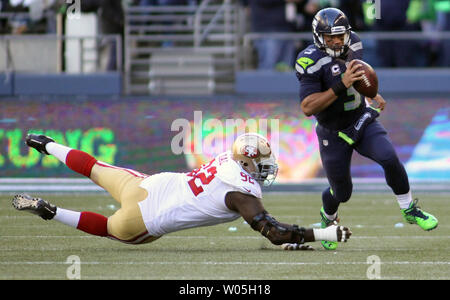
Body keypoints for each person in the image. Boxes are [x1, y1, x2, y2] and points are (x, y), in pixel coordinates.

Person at [12, 132, 351, 250]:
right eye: (262, 162)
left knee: (94, 167)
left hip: (147, 184)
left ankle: (47, 144)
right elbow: (274, 233)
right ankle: (53, 212)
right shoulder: (243, 191)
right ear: (248, 165)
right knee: (110, 231)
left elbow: (274, 229)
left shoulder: (226, 159)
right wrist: (324, 233)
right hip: (146, 218)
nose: (267, 168)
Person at [294, 7, 438, 251]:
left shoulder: (355, 44)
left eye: (341, 35)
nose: (337, 41)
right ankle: (327, 220)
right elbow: (308, 107)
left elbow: (357, 76)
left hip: (360, 118)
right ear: (319, 37)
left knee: (389, 157)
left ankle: (409, 208)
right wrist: (342, 85)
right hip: (332, 130)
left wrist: (371, 91)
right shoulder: (309, 61)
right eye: (331, 37)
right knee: (342, 192)